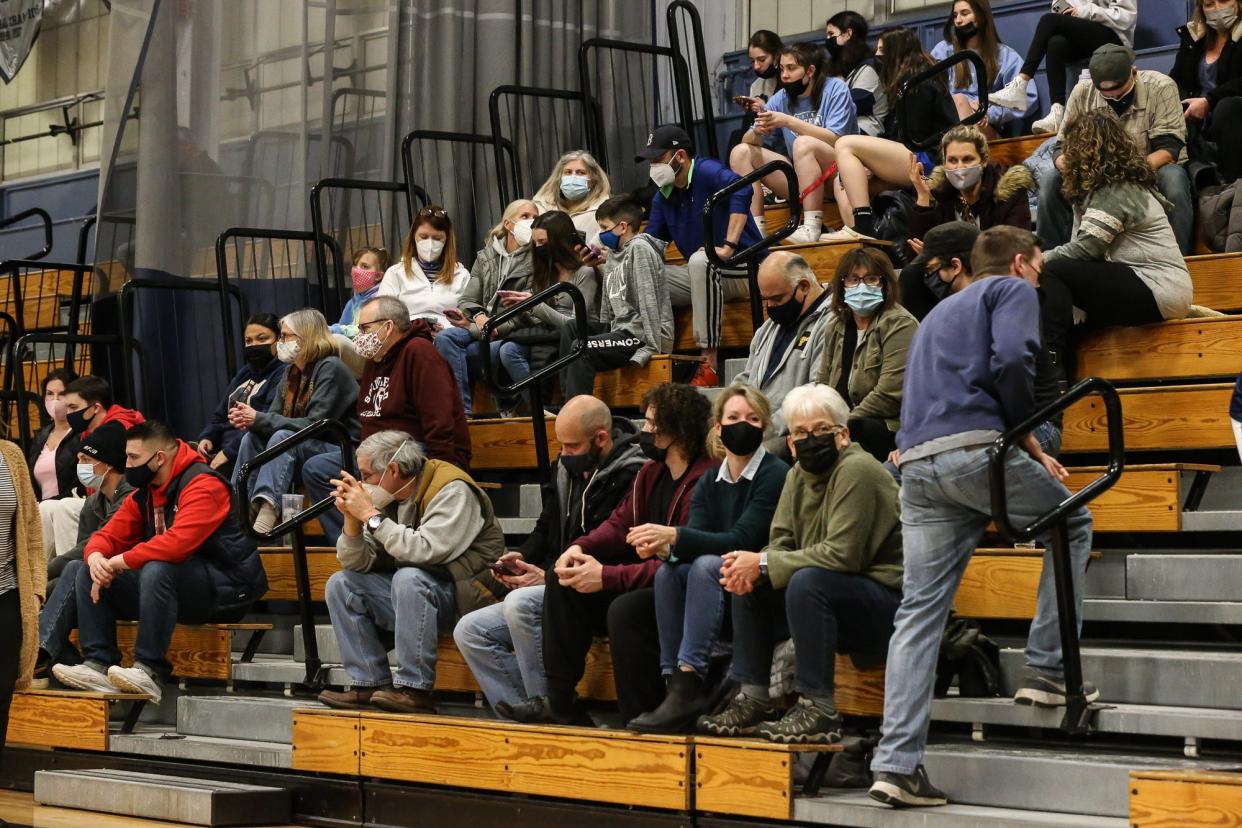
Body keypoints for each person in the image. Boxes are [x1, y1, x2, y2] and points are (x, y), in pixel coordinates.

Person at [868, 226, 1094, 808]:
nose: (1040, 277)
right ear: (1020, 263)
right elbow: (1016, 356)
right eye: (1039, 267)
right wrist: (1027, 437)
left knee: (918, 612)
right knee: (1071, 520)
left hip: (918, 464)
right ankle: (1046, 671)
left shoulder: (939, 311)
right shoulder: (1011, 291)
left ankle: (895, 764)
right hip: (976, 450)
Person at [499, 383, 715, 726]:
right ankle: (560, 702)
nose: (642, 431)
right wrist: (578, 548)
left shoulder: (705, 480)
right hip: (642, 577)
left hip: (681, 587)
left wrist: (605, 577)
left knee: (625, 609)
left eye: (649, 424)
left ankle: (639, 716)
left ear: (675, 431)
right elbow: (618, 526)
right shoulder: (651, 472)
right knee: (562, 578)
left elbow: (680, 563)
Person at [699, 383, 902, 744]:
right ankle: (753, 698)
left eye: (822, 430)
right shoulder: (795, 474)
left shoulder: (858, 470)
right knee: (750, 579)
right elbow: (781, 540)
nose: (812, 439)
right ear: (790, 442)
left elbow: (843, 555)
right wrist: (757, 567)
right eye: (802, 433)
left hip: (886, 601)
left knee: (804, 580)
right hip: (829, 594)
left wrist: (763, 563)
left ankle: (819, 708)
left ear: (844, 434)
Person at [51, 421, 268, 705]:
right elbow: (107, 535)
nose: (127, 465)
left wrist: (117, 562)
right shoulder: (146, 491)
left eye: (133, 458)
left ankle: (150, 670)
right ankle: (98, 664)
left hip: (228, 588)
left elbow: (177, 545)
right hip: (176, 585)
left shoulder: (204, 484)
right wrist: (96, 557)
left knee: (157, 567)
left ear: (159, 459)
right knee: (83, 569)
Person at [453, 395, 644, 714]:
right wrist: (521, 555)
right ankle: (525, 722)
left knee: (519, 604)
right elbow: (546, 525)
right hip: (558, 579)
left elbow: (620, 547)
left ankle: (556, 711)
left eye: (572, 447)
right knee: (470, 631)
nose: (564, 454)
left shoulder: (634, 474)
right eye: (561, 446)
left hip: (601, 588)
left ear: (601, 437)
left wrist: (550, 575)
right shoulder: (564, 468)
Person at [626, 385, 789, 734]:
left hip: (758, 584)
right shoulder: (711, 480)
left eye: (751, 418)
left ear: (764, 427)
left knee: (704, 564)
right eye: (733, 418)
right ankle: (674, 684)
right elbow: (698, 537)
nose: (741, 424)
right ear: (717, 426)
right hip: (721, 585)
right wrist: (665, 548)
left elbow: (741, 540)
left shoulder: (774, 473)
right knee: (670, 571)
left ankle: (689, 677)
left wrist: (674, 536)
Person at [316, 431, 505, 714]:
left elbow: (425, 550)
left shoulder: (452, 489)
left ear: (393, 470)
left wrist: (369, 515)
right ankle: (368, 683)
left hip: (468, 600)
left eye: (367, 475)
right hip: (417, 597)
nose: (363, 482)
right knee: (341, 584)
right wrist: (351, 520)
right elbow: (355, 563)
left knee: (409, 577)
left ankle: (414, 689)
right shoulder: (387, 496)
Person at [301, 296, 471, 544]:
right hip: (373, 452)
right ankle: (355, 542)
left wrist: (443, 471)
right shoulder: (375, 360)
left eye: (365, 328)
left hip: (411, 451)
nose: (359, 336)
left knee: (363, 472)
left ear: (388, 326)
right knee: (317, 469)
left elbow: (440, 419)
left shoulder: (419, 353)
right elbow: (368, 416)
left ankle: (379, 541)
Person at [909, 222, 1072, 457]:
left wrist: (1020, 429)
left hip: (1032, 424)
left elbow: (1011, 361)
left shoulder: (1010, 295)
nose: (928, 277)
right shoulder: (947, 311)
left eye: (932, 269)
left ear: (956, 266)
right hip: (972, 426)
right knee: (894, 472)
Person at [1040, 110, 1193, 330]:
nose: (1066, 157)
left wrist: (1037, 259)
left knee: (1051, 271)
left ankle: (1053, 360)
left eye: (1071, 149)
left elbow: (1085, 251)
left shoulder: (1116, 189)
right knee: (1056, 278)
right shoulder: (1098, 189)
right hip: (1146, 285)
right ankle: (1061, 351)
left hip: (1160, 287)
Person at [1041, 45, 1194, 254]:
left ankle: (1181, 257)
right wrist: (1080, 170)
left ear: (1134, 71)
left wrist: (1124, 172)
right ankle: (1048, 260)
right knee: (1051, 181)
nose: (1112, 94)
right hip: (1094, 172)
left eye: (1118, 88)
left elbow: (1169, 149)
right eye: (1105, 92)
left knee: (1174, 179)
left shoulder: (1161, 86)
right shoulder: (1082, 92)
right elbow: (1060, 149)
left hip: (1149, 168)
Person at [640, 125, 763, 384]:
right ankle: (654, 352)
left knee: (700, 259)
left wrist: (728, 245)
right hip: (707, 273)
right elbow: (651, 245)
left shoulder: (707, 171)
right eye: (650, 162)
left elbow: (742, 188)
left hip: (746, 267)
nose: (653, 167)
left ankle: (709, 362)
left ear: (680, 157)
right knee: (646, 275)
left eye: (658, 160)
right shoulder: (663, 196)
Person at [231, 308, 360, 535]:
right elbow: (273, 418)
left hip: (339, 449)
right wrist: (250, 419)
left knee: (282, 438)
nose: (280, 342)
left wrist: (260, 418)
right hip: (301, 447)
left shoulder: (331, 367)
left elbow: (315, 424)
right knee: (252, 438)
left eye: (285, 336)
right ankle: (237, 511)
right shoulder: (290, 372)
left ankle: (267, 512)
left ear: (306, 336)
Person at [828, 28, 959, 241]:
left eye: (882, 50)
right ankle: (862, 243)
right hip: (915, 155)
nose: (877, 56)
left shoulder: (917, 81)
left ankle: (862, 226)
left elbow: (913, 137)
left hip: (930, 160)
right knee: (843, 183)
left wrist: (877, 164)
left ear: (897, 51)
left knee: (845, 144)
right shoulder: (906, 81)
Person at [33, 423, 135, 685]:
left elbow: (83, 551)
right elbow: (82, 555)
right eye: (78, 459)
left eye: (86, 459)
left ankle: (40, 655)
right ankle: (57, 661)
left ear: (108, 464)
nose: (80, 465)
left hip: (124, 577)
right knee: (47, 596)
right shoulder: (93, 503)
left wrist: (39, 579)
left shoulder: (131, 497)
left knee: (65, 577)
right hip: (95, 580)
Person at [730, 41, 858, 243]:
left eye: (791, 68)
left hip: (839, 173)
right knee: (740, 152)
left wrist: (789, 121)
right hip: (803, 177)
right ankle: (758, 232)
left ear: (810, 71)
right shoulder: (780, 97)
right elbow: (748, 139)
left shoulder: (836, 88)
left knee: (803, 143)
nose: (784, 75)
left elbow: (837, 138)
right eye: (781, 69)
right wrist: (758, 131)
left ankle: (811, 226)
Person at [901, 125, 1035, 316]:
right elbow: (913, 257)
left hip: (996, 276)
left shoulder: (1009, 191)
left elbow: (1015, 248)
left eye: (968, 159)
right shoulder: (941, 194)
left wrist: (943, 255)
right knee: (911, 275)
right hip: (951, 277)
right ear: (944, 164)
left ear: (984, 161)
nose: (960, 167)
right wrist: (923, 197)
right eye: (952, 161)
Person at [558, 196, 674, 399]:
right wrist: (606, 331)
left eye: (604, 227)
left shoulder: (640, 249)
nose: (600, 234)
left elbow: (649, 301)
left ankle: (575, 411)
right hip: (620, 330)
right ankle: (566, 401)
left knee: (581, 347)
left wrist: (651, 347)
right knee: (571, 328)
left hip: (640, 335)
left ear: (622, 227)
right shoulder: (614, 253)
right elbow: (608, 303)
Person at [436, 199, 538, 417]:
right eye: (525, 216)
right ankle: (461, 413)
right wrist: (479, 316)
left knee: (478, 351)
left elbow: (526, 312)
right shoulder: (485, 256)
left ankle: (508, 403)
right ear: (509, 225)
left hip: (507, 330)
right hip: (481, 325)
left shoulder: (537, 259)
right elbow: (467, 300)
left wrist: (483, 327)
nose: (532, 222)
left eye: (535, 217)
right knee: (445, 338)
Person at [815, 248, 918, 462]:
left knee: (858, 430)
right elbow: (823, 383)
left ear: (885, 283)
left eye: (871, 279)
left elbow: (890, 394)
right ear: (842, 285)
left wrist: (842, 424)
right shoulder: (835, 326)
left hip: (886, 426)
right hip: (844, 424)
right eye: (853, 279)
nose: (861, 286)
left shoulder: (899, 323)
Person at [989, 0, 1139, 134]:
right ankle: (1057, 112)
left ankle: (1020, 83)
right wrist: (1065, 12)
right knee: (1055, 42)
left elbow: (1126, 17)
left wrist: (1083, 12)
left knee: (1048, 20)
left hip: (1115, 39)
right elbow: (1058, 6)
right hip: (1082, 33)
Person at [41, 376, 145, 559]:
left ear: (95, 408)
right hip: (95, 500)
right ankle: (38, 573)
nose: (68, 414)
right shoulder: (87, 433)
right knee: (44, 507)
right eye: (67, 408)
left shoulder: (121, 429)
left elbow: (128, 479)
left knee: (63, 508)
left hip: (123, 501)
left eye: (73, 408)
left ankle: (67, 569)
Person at [732, 251, 831, 435]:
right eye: (766, 299)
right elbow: (747, 378)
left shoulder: (831, 323)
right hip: (756, 431)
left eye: (777, 298)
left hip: (797, 434)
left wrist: (763, 431)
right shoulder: (768, 328)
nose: (770, 306)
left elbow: (815, 392)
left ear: (803, 287)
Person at [196, 313, 287, 475]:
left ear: (279, 340)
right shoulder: (245, 372)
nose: (254, 345)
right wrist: (207, 437)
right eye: (248, 341)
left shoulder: (283, 373)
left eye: (262, 339)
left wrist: (228, 453)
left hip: (248, 451)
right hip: (221, 449)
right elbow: (219, 416)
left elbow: (266, 423)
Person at [931, 0, 1038, 137]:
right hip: (944, 125)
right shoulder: (943, 50)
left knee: (960, 101)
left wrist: (987, 110)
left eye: (965, 13)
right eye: (955, 15)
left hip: (984, 128)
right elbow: (929, 91)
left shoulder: (1004, 55)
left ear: (981, 16)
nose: (958, 20)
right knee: (958, 101)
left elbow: (1027, 97)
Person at [0, 433, 44, 763]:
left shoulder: (11, 456)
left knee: (2, 696)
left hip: (8, 592)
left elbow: (31, 526)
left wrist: (37, 589)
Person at [1174, 0, 1242, 183]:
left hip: (1232, 115)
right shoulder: (1194, 38)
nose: (1217, 9)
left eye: (1224, 0)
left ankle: (1232, 186)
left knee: (1227, 108)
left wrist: (1209, 101)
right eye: (1209, 4)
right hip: (1199, 119)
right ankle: (1203, 183)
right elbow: (1176, 79)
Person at [377, 204, 472, 330]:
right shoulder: (395, 273)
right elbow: (383, 317)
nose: (430, 243)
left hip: (448, 337)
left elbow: (469, 318)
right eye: (423, 237)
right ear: (413, 236)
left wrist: (447, 330)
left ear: (447, 240)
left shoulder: (462, 275)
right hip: (410, 336)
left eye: (437, 238)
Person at [826, 12, 887, 138]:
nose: (827, 39)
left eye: (831, 34)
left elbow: (851, 105)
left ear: (848, 33)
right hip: (844, 129)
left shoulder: (870, 66)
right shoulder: (845, 69)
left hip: (868, 131)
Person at [532, 150, 612, 244]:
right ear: (559, 178)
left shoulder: (604, 211)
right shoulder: (541, 205)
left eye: (581, 172)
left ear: (593, 181)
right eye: (568, 172)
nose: (573, 177)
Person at [728, 30, 784, 154]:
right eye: (753, 61)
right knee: (737, 134)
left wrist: (765, 108)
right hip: (763, 134)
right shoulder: (756, 85)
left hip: (782, 136)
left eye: (762, 60)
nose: (756, 66)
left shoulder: (789, 80)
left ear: (777, 55)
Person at [29, 368, 80, 503]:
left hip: (70, 512)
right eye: (50, 394)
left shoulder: (82, 434)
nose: (55, 400)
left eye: (62, 394)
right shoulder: (40, 437)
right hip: (42, 517)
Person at [332, 247, 390, 338]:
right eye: (355, 265)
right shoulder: (352, 302)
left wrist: (335, 330)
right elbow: (342, 325)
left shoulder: (380, 301)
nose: (356, 270)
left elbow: (366, 331)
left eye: (364, 266)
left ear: (378, 276)